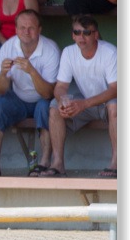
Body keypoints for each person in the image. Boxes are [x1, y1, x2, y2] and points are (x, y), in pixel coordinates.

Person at [0, 9, 59, 177]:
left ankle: (44, 162)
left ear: (39, 30)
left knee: (46, 108)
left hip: (42, 98)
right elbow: (0, 90)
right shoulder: (8, 46)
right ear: (16, 29)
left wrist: (32, 71)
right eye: (22, 27)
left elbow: (48, 93)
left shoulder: (50, 49)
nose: (26, 31)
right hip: (18, 98)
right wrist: (2, 74)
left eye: (31, 28)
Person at [45, 15, 117, 178]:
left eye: (86, 32)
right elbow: (61, 86)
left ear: (96, 34)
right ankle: (58, 164)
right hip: (86, 102)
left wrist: (83, 104)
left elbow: (115, 89)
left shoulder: (110, 52)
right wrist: (63, 102)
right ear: (73, 35)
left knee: (115, 106)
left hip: (106, 103)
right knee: (54, 108)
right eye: (77, 32)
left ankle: (116, 164)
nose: (81, 37)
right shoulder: (69, 52)